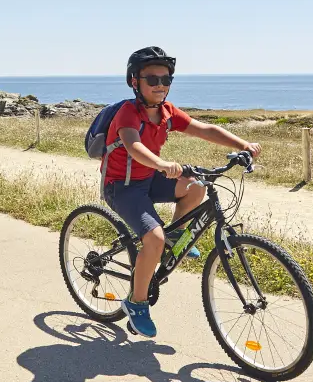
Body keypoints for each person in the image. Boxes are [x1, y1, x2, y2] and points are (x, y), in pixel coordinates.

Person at [103, 47, 261, 339]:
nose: (160, 84)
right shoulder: (128, 112)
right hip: (121, 186)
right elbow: (133, 146)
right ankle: (136, 303)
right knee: (153, 239)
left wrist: (242, 144)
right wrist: (162, 164)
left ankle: (175, 238)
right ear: (134, 81)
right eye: (152, 78)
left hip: (149, 178)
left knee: (197, 185)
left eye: (166, 78)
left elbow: (205, 129)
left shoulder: (167, 112)